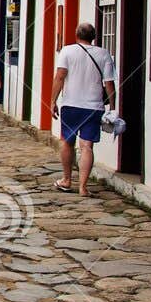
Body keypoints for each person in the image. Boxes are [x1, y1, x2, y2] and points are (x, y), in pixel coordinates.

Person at [51, 21, 116, 196]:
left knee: (67, 142)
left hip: (71, 105)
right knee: (87, 146)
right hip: (94, 106)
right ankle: (83, 187)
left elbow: (59, 77)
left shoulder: (67, 51)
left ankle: (66, 179)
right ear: (94, 37)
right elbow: (109, 84)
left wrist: (52, 101)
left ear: (76, 35)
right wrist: (113, 107)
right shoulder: (104, 54)